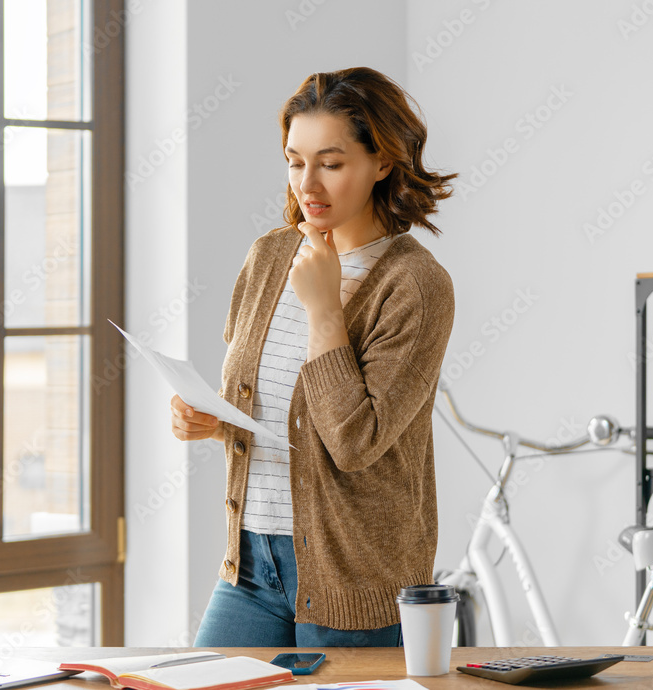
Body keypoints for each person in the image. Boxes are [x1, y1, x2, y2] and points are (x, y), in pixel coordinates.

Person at [170, 67, 456, 647]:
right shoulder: (271, 255)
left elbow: (353, 443)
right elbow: (273, 406)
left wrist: (325, 311)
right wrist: (212, 420)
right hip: (250, 564)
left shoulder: (415, 284)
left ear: (382, 162)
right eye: (295, 161)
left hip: (357, 579)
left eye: (331, 163)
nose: (309, 185)